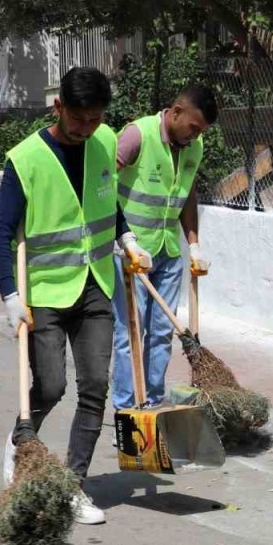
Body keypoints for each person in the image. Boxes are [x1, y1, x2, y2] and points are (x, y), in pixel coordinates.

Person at [0, 67, 154, 525]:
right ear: (58, 106)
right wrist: (9, 295)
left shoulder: (103, 144)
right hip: (44, 292)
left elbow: (108, 204)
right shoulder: (26, 159)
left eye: (95, 119)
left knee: (95, 387)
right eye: (78, 118)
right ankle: (22, 442)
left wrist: (129, 240)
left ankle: (73, 487)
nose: (86, 129)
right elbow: (0, 233)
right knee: (51, 387)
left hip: (96, 285)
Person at [111, 84, 218, 410]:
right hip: (130, 253)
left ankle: (153, 406)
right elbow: (101, 184)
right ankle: (126, 411)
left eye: (202, 131)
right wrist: (122, 238)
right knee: (130, 332)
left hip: (168, 251)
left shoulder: (193, 147)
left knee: (160, 332)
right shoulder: (137, 135)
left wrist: (194, 245)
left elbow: (187, 194)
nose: (196, 135)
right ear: (175, 112)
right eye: (194, 127)